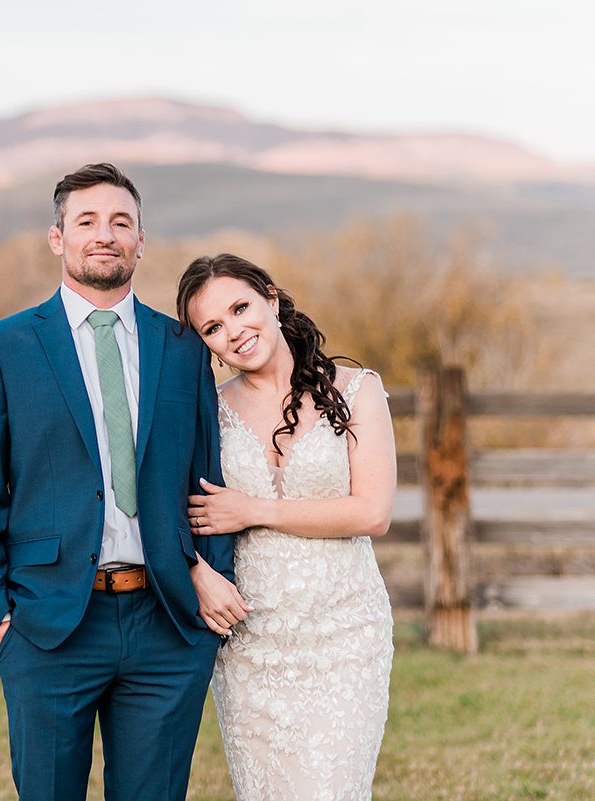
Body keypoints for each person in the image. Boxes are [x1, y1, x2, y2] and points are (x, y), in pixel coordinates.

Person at [0, 164, 246, 801]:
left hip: (168, 625)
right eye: (86, 221)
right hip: (48, 625)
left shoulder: (185, 348)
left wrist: (209, 584)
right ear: (58, 238)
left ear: (142, 240)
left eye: (121, 222)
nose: (104, 234)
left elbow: (207, 474)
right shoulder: (3, 347)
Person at [176, 254, 396, 801]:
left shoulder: (358, 389)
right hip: (252, 643)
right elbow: (172, 510)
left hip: (346, 634)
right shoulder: (210, 409)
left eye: (240, 307)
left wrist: (254, 509)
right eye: (213, 328)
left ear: (271, 299)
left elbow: (372, 512)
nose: (234, 332)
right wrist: (197, 571)